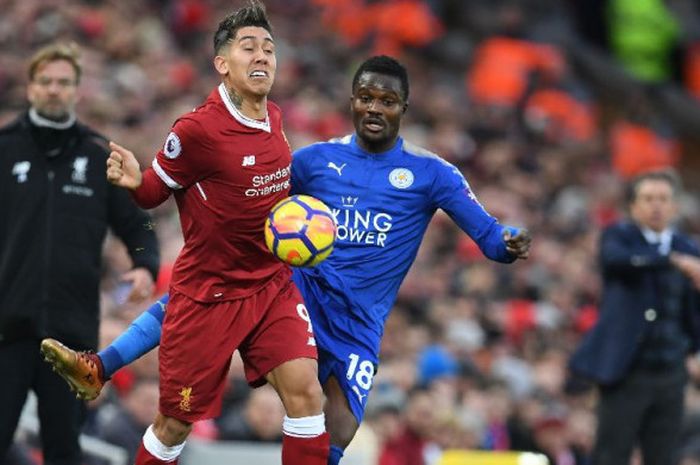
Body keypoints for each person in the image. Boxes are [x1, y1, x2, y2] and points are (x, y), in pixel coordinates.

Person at [43, 55, 531, 464]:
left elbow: (489, 237)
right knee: (206, 292)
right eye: (366, 98)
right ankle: (102, 364)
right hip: (292, 289)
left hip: (357, 323)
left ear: (404, 106)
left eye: (386, 101)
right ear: (353, 101)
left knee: (335, 431)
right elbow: (259, 202)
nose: (374, 108)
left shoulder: (431, 173)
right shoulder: (313, 162)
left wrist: (508, 242)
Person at [46, 3, 332, 465]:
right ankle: (101, 368)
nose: (262, 57)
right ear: (222, 63)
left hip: (270, 284)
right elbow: (153, 191)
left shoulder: (275, 118)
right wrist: (135, 181)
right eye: (249, 48)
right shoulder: (197, 130)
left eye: (269, 49)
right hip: (209, 297)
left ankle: (100, 364)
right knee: (174, 425)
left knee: (306, 398)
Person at [0, 42, 160, 465]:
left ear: (76, 90)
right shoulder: (4, 148)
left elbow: (138, 220)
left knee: (64, 448)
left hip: (72, 334)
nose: (54, 90)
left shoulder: (96, 155)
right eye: (46, 81)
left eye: (64, 83)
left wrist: (145, 264)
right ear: (31, 88)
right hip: (7, 326)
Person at [570, 170, 700, 465]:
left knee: (663, 455)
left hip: (670, 372)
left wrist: (695, 350)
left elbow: (691, 309)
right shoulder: (619, 237)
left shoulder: (688, 247)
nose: (656, 206)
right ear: (633, 206)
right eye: (648, 198)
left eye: (663, 199)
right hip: (626, 371)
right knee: (611, 454)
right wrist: (672, 261)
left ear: (675, 206)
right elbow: (615, 262)